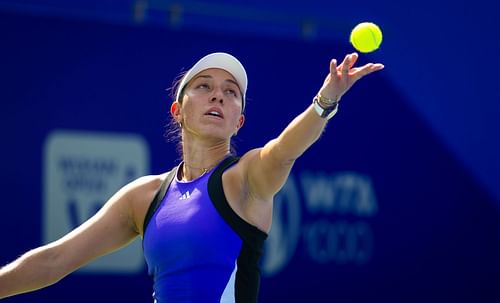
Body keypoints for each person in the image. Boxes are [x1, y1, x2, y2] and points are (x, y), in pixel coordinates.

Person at [0, 52, 383, 302]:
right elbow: (55, 260)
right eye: (204, 87)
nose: (218, 96)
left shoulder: (246, 179)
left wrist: (324, 102)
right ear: (177, 111)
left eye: (231, 93)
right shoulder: (143, 197)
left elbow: (285, 148)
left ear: (239, 120)